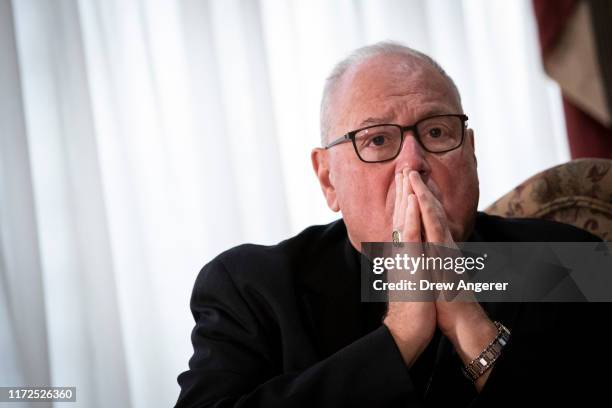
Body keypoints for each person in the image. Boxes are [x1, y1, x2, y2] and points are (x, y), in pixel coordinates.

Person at [175, 42, 608, 407]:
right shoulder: (251, 287)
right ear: (328, 178)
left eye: (437, 133)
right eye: (378, 140)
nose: (413, 163)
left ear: (471, 154)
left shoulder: (564, 258)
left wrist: (472, 331)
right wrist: (400, 335)